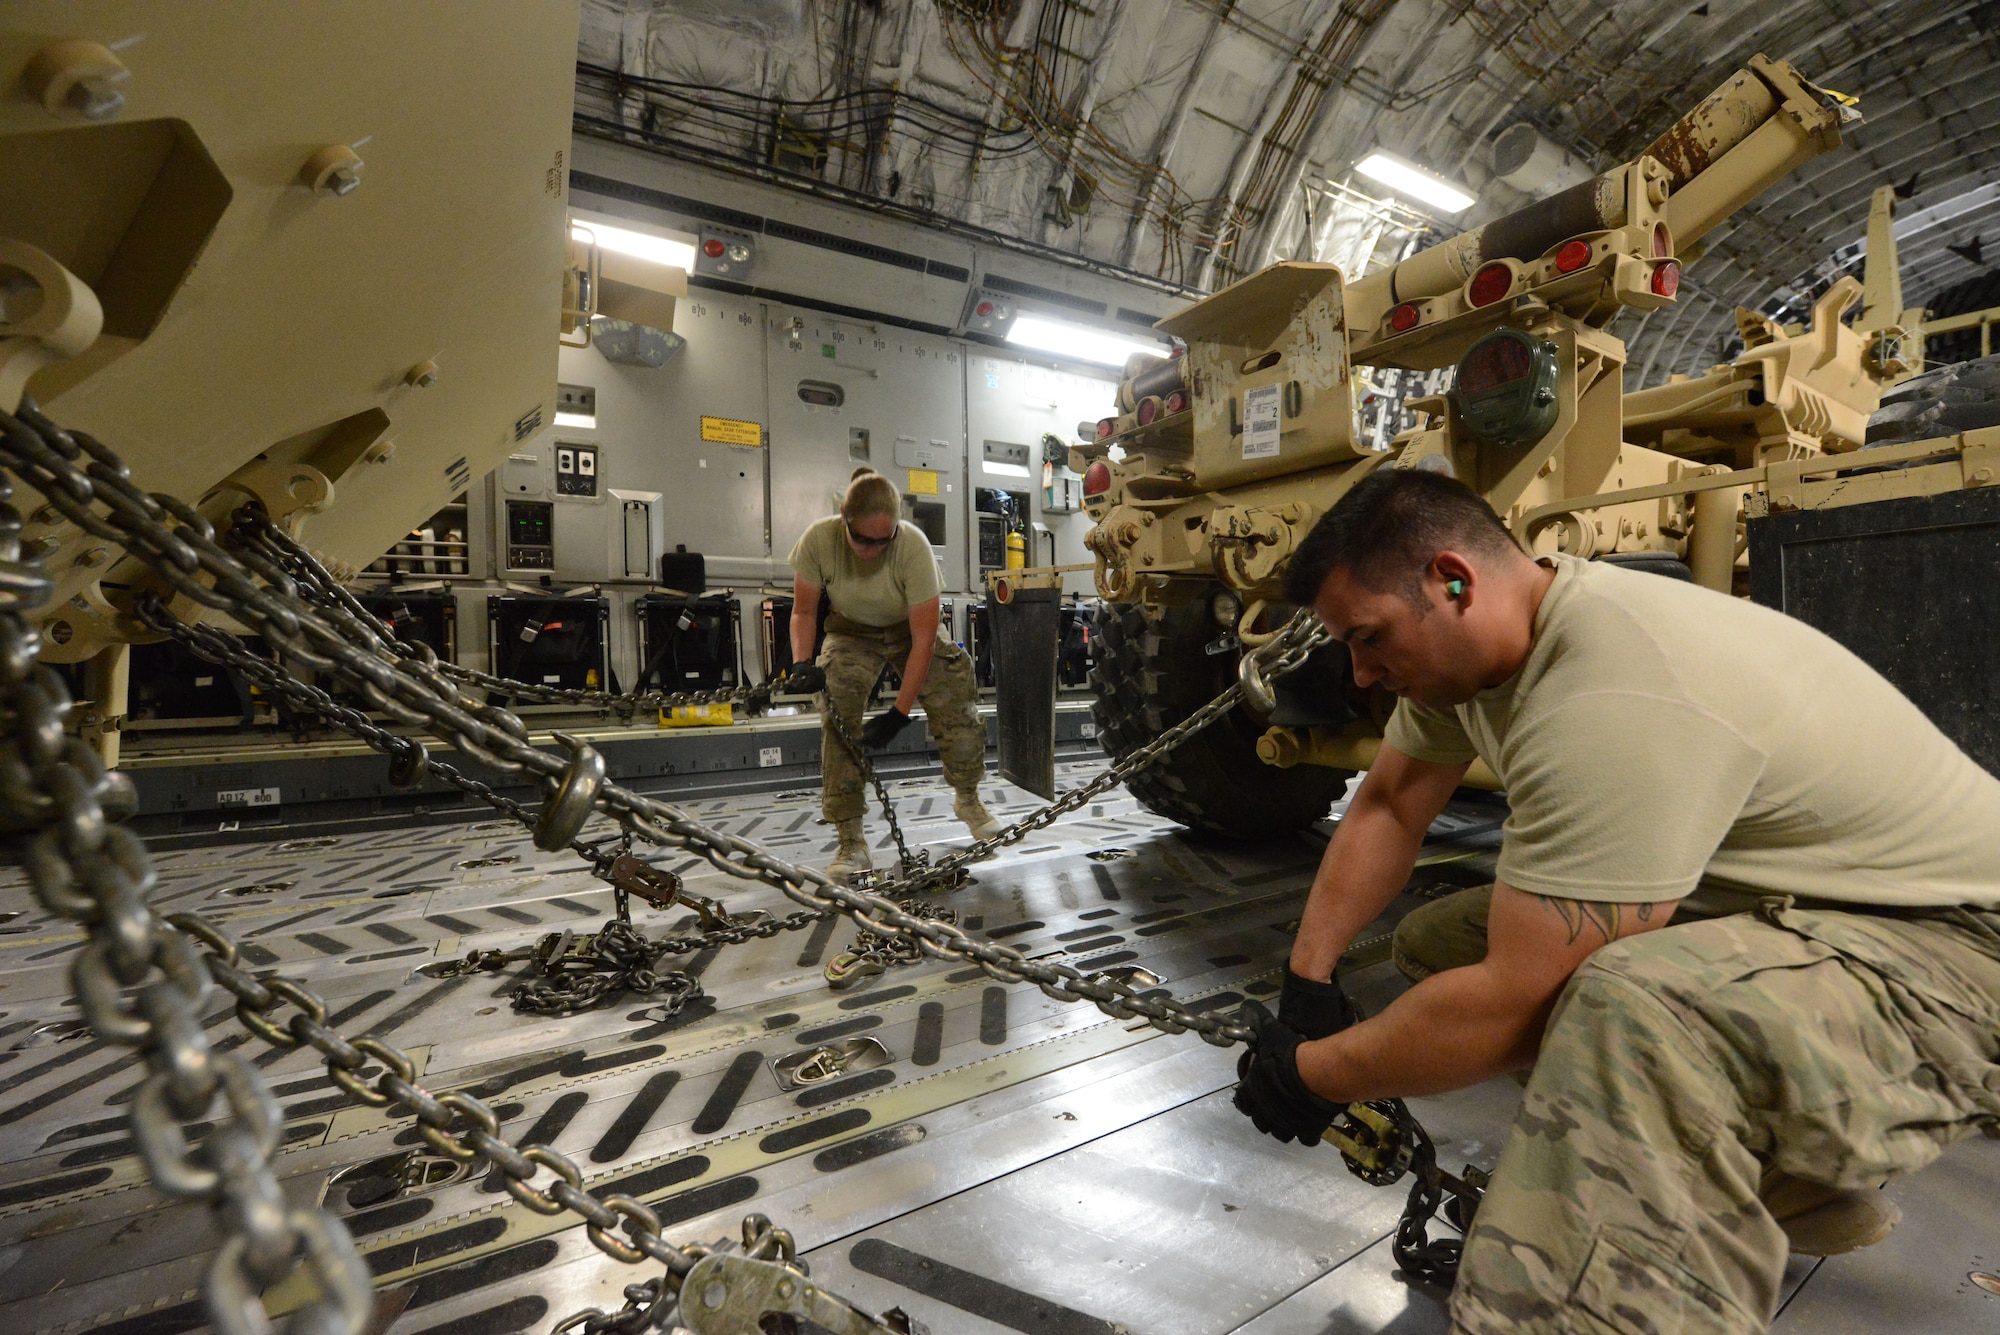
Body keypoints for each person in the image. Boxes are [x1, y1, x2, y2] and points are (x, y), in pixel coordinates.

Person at [1231, 466, 2000, 1334]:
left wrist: (1313, 1073)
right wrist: (1308, 980)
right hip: (1822, 907)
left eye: (1368, 638)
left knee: (1633, 1011)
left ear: (1454, 579)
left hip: (1960, 950)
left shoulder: (1611, 683)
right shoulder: (1476, 660)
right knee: (1446, 939)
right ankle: (1779, 1182)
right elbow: (1391, 800)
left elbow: (1506, 1005)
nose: (1362, 673)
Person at [783, 468, 1000, 883]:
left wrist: (900, 713)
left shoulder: (913, 548)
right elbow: (805, 611)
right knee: (838, 717)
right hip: (850, 632)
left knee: (956, 703)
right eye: (862, 539)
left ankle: (968, 799)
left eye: (884, 540)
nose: (872, 550)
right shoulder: (818, 540)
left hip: (907, 632)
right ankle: (851, 839)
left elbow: (922, 640)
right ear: (843, 516)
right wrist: (801, 664)